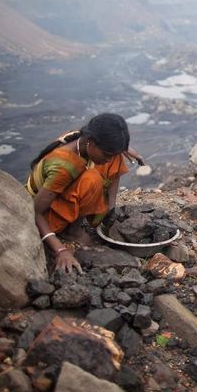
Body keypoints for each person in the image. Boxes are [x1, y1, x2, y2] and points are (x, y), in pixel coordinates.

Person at [25, 113, 144, 273]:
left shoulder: (82, 137)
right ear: (91, 142)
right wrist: (60, 250)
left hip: (62, 191)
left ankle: (108, 211)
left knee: (116, 157)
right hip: (48, 216)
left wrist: (123, 148)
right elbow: (35, 212)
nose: (108, 160)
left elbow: (105, 143)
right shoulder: (64, 167)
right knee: (92, 179)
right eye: (106, 155)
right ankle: (71, 231)